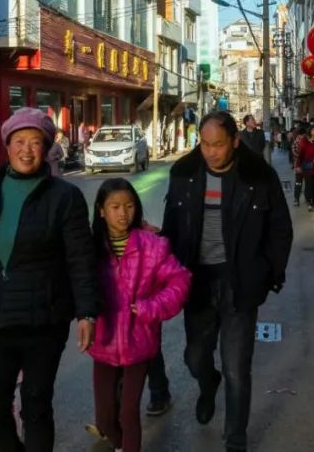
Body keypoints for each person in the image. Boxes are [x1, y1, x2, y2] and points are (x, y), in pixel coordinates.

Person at [0, 108, 98, 452]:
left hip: (43, 321)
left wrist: (87, 312)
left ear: (47, 148)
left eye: (36, 142)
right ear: (7, 145)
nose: (27, 150)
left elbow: (81, 259)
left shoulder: (64, 197)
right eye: (20, 141)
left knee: (36, 407)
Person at [162, 111, 294, 452]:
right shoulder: (185, 173)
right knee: (195, 357)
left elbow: (281, 230)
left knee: (237, 367)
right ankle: (208, 385)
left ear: (235, 141)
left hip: (240, 284)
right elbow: (172, 228)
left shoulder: (258, 176)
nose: (211, 152)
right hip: (197, 282)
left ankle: (235, 438)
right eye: (204, 144)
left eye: (218, 145)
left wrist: (268, 274)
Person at [85, 179, 191, 452]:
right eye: (115, 206)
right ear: (101, 211)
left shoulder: (152, 246)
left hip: (140, 342)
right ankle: (119, 445)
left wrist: (151, 307)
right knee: (105, 418)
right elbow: (73, 281)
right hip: (104, 343)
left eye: (129, 206)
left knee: (128, 413)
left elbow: (180, 281)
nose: (123, 213)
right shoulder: (89, 249)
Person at [290, 125, 308, 205]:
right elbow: (296, 154)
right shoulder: (300, 142)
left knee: (299, 182)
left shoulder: (296, 142)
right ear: (302, 134)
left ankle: (296, 199)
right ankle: (305, 199)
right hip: (302, 165)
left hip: (299, 165)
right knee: (304, 182)